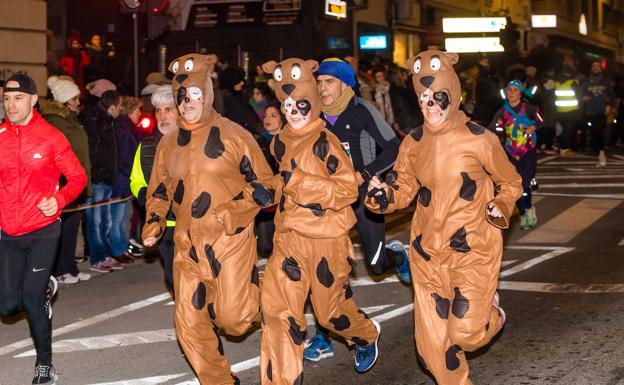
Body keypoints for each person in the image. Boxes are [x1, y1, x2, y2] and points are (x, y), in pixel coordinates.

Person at [366, 50, 522, 385]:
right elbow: (404, 188)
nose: (430, 104)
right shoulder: (413, 142)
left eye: (438, 97)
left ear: (452, 95)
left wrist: (502, 205)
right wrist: (382, 197)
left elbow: (510, 182)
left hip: (472, 249)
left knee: (467, 333)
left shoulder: (479, 138)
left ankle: (491, 314)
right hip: (426, 254)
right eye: (423, 97)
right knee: (432, 351)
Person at [142, 53, 274, 385]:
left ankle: (274, 305)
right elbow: (159, 188)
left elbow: (269, 186)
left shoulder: (234, 135)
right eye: (181, 97)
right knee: (188, 323)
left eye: (195, 95)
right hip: (187, 245)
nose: (187, 103)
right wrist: (154, 220)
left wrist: (235, 210)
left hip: (228, 242)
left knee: (235, 321)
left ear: (208, 94)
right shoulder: (169, 144)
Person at [259, 58, 381, 385]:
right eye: (286, 105)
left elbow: (346, 189)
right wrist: (259, 192)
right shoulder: (279, 141)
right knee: (277, 311)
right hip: (288, 239)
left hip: (326, 239)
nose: (293, 110)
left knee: (330, 315)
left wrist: (299, 184)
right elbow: (281, 182)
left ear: (311, 102)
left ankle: (365, 335)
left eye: (299, 104)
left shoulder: (326, 141)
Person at [303, 58, 408, 362]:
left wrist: (366, 173)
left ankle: (397, 256)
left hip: (362, 198)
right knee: (325, 272)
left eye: (329, 82)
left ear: (345, 84)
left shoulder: (361, 110)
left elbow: (393, 146)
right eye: (319, 82)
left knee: (375, 266)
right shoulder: (313, 115)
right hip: (328, 203)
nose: (322, 88)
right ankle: (325, 337)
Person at [0, 72, 87, 384]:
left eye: (18, 98)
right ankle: (48, 288)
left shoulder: (51, 136)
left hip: (43, 229)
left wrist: (59, 199)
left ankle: (44, 365)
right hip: (7, 231)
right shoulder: (0, 136)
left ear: (33, 100)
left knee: (31, 298)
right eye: (7, 98)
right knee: (8, 305)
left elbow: (78, 178)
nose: (11, 104)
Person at [41, 76, 94, 284]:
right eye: (74, 98)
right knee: (61, 229)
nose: (78, 102)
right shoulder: (55, 122)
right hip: (63, 183)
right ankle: (59, 270)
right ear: (65, 100)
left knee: (71, 228)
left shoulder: (71, 119)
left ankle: (69, 267)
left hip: (75, 181)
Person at [130, 85, 179, 293]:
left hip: (192, 223)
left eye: (168, 110)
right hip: (163, 223)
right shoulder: (147, 145)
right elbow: (136, 178)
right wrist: (142, 193)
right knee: (172, 277)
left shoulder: (195, 142)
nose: (162, 116)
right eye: (158, 111)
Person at [81, 90, 125, 273]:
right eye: (120, 106)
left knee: (105, 220)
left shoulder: (109, 121)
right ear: (112, 106)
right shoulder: (95, 121)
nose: (121, 109)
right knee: (95, 220)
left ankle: (105, 254)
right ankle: (97, 258)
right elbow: (93, 151)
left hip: (107, 178)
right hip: (99, 179)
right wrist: (97, 173)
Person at [489, 80, 543, 230]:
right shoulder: (502, 111)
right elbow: (490, 129)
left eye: (515, 90)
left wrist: (533, 126)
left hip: (528, 152)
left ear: (520, 93)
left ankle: (528, 209)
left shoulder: (529, 109)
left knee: (523, 184)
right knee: (516, 186)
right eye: (509, 90)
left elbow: (544, 121)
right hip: (511, 153)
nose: (511, 93)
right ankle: (525, 211)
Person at [109, 96, 141, 265]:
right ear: (129, 111)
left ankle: (122, 247)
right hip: (122, 179)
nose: (140, 114)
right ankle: (117, 249)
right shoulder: (123, 129)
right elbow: (126, 156)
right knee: (118, 217)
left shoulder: (129, 128)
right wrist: (131, 174)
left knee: (125, 216)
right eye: (137, 110)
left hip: (125, 178)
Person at [254, 102, 285, 258]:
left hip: (288, 200)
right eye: (265, 115)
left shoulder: (290, 140)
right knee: (265, 246)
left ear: (282, 119)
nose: (268, 119)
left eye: (273, 116)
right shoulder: (258, 143)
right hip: (267, 202)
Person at [581, 60, 614, 167]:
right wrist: (583, 98)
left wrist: (609, 105)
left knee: (599, 131)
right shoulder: (585, 82)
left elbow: (612, 96)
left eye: (597, 66)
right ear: (590, 69)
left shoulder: (606, 82)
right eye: (593, 66)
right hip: (590, 111)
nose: (595, 68)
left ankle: (601, 154)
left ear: (601, 69)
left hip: (602, 111)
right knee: (593, 134)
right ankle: (599, 153)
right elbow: (580, 95)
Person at [555, 54, 582, 156]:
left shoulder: (557, 83)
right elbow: (579, 97)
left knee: (563, 130)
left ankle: (561, 147)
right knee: (568, 131)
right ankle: (565, 149)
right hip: (571, 111)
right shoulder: (572, 83)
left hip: (560, 110)